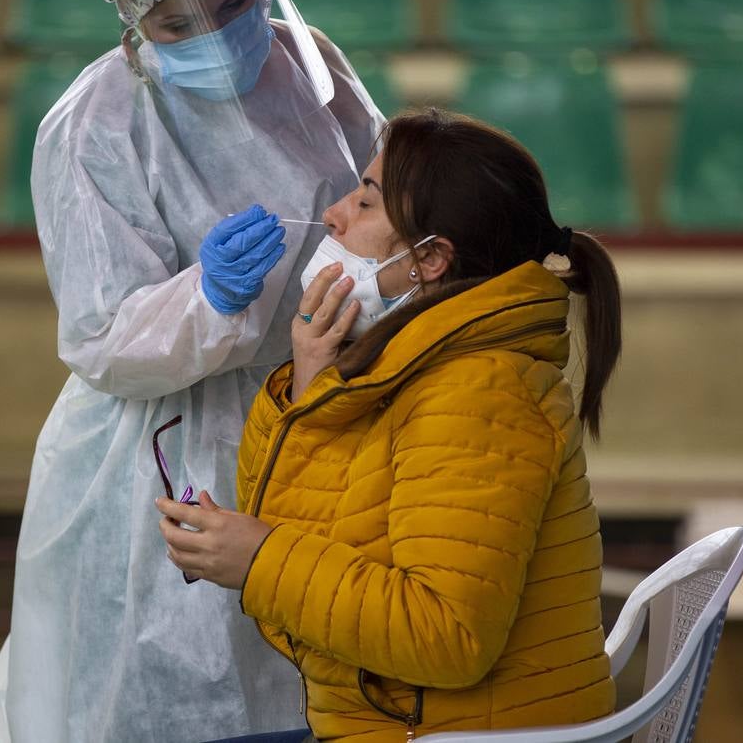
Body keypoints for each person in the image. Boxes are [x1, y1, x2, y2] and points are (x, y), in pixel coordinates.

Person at [0, 0, 382, 742]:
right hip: (161, 454)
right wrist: (207, 296)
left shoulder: (313, 71)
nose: (213, 34)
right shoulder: (95, 122)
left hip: (319, 410)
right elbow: (100, 339)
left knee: (316, 687)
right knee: (165, 687)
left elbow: (385, 217)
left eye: (232, 3)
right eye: (174, 22)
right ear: (129, 17)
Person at [158, 109, 623, 742]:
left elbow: (443, 637)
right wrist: (311, 381)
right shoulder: (423, 364)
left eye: (365, 204)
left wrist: (260, 557)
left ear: (428, 260)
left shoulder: (478, 393)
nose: (334, 216)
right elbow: (322, 517)